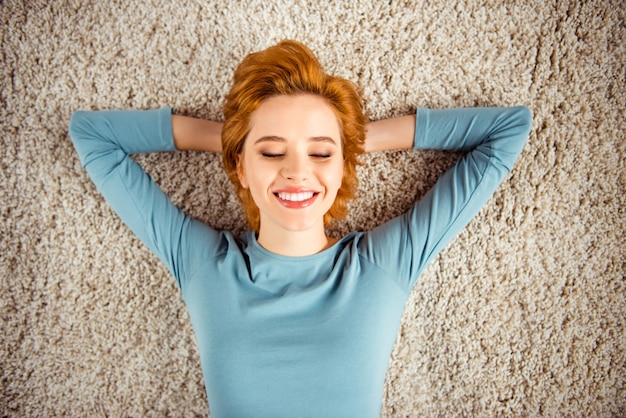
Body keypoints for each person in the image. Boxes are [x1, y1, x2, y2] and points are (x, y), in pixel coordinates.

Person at [69, 40, 532, 417]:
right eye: (272, 153)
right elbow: (92, 134)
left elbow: (507, 130)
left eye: (320, 154)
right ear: (241, 167)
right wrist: (239, 138)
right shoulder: (203, 265)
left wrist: (346, 140)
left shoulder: (381, 265)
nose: (297, 171)